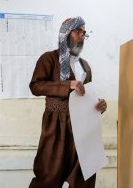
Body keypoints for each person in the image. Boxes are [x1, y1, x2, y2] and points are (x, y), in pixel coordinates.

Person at [28, 16, 107, 188]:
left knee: (84, 179)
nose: (81, 36)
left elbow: (87, 97)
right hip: (57, 125)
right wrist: (67, 85)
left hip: (84, 128)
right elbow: (35, 86)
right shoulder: (49, 59)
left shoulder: (85, 66)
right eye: (78, 31)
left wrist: (99, 105)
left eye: (84, 33)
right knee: (48, 177)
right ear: (65, 33)